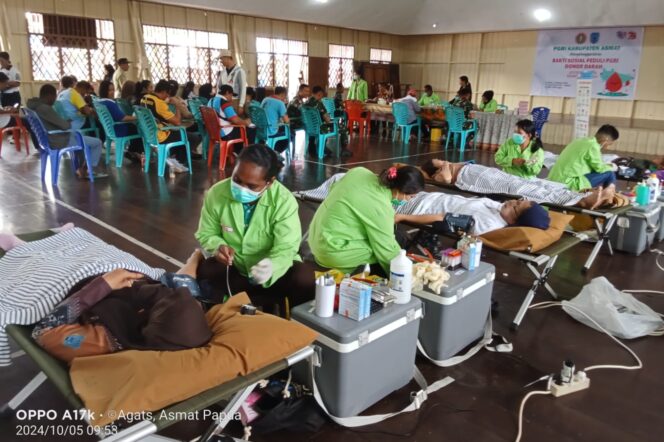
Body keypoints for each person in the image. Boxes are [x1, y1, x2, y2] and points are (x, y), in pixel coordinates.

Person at [28, 249, 212, 363]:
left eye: (162, 299)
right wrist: (195, 258)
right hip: (122, 268)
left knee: (44, 256)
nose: (168, 292)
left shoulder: (103, 341)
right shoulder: (182, 317)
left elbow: (43, 331)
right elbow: (183, 282)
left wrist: (103, 284)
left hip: (79, 275)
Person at [195, 144, 316, 311]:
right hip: (236, 269)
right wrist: (218, 247)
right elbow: (206, 233)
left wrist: (272, 266)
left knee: (305, 278)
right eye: (236, 180)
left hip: (274, 273)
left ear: (270, 182)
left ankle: (294, 323)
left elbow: (287, 246)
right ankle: (225, 314)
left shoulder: (284, 201)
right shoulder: (217, 193)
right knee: (207, 270)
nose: (241, 189)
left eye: (251, 186)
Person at [308, 166, 425, 275]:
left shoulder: (359, 172)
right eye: (411, 197)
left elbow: (334, 188)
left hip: (316, 236)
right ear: (401, 190)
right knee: (386, 250)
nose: (408, 201)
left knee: (391, 235)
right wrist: (406, 277)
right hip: (332, 252)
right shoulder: (380, 207)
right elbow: (386, 250)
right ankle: (380, 287)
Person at [420, 159, 616, 209]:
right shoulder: (441, 173)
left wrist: (447, 164)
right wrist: (445, 165)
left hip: (489, 173)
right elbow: (446, 179)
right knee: (524, 190)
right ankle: (581, 201)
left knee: (535, 182)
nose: (444, 161)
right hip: (479, 180)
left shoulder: (447, 165)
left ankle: (579, 195)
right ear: (434, 169)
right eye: (439, 162)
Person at [27, 84, 107, 179]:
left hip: (49, 139)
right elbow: (65, 126)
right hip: (59, 140)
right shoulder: (45, 108)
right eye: (54, 97)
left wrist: (62, 122)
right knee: (97, 143)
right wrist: (66, 122)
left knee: (79, 137)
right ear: (49, 96)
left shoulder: (35, 106)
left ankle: (81, 168)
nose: (54, 100)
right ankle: (84, 170)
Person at [141, 79, 200, 173]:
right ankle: (178, 163)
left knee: (180, 135)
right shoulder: (159, 104)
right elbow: (177, 122)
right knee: (194, 137)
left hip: (148, 133)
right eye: (167, 94)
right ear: (164, 91)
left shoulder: (145, 98)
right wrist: (177, 106)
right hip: (161, 135)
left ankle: (173, 157)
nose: (168, 96)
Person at [548, 125, 620, 192]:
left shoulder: (580, 141)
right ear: (605, 140)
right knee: (610, 173)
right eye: (609, 144)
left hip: (555, 178)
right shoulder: (593, 146)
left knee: (603, 172)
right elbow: (599, 168)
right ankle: (608, 198)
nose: (607, 147)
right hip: (568, 183)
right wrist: (612, 167)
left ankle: (604, 196)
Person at [97, 80, 143, 160]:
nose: (112, 92)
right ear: (104, 91)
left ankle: (134, 152)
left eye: (113, 90)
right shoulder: (110, 103)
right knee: (137, 129)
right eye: (109, 90)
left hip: (109, 129)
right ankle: (135, 152)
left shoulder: (99, 102)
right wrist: (137, 117)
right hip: (118, 130)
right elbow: (122, 118)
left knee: (133, 127)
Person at [209, 84, 254, 150]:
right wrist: (246, 122)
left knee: (239, 129)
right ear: (227, 92)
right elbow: (236, 120)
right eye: (231, 95)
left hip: (213, 133)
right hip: (225, 133)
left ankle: (233, 153)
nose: (231, 98)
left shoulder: (211, 101)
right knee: (251, 129)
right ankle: (245, 155)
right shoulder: (224, 103)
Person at [303, 85, 336, 157]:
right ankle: (323, 148)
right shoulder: (319, 104)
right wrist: (329, 119)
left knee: (314, 129)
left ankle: (312, 148)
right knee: (331, 126)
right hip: (319, 128)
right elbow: (327, 120)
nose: (320, 97)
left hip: (308, 128)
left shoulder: (305, 104)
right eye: (319, 95)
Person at [215, 49, 248, 113]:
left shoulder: (239, 71)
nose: (221, 61)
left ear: (227, 58)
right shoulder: (223, 72)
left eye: (221, 59)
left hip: (235, 101)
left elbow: (243, 89)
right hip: (224, 101)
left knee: (235, 121)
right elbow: (219, 87)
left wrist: (241, 105)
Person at [260, 86, 290, 153]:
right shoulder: (280, 103)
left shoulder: (265, 99)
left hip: (261, 129)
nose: (285, 98)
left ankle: (270, 149)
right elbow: (286, 121)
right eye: (285, 96)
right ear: (283, 94)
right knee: (291, 134)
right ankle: (275, 152)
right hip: (272, 131)